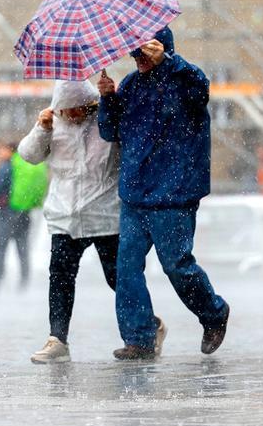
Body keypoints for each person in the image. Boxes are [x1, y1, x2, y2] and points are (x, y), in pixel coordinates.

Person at [98, 26, 231, 360]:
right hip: (135, 194)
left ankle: (213, 313)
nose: (138, 58)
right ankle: (139, 338)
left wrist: (171, 62)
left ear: (162, 48)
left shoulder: (185, 79)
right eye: (134, 53)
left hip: (175, 193)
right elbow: (110, 131)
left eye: (144, 51)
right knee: (126, 268)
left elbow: (200, 90)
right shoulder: (129, 85)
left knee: (177, 266)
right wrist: (107, 99)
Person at [19, 80, 167, 364]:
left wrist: (110, 98)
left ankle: (149, 326)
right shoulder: (52, 123)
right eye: (67, 111)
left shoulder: (106, 120)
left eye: (78, 110)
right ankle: (57, 340)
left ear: (89, 105)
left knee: (119, 279)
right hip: (65, 216)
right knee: (60, 279)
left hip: (105, 215)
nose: (72, 116)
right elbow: (29, 154)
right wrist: (42, 128)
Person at [0, 142, 47, 292]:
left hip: (7, 211)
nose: (1, 152)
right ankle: (24, 280)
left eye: (2, 149)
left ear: (10, 150)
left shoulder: (8, 166)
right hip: (24, 211)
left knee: (1, 247)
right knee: (22, 247)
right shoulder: (26, 164)